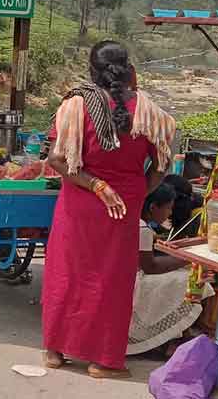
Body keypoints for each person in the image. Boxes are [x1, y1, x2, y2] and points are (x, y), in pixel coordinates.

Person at [43, 40, 176, 379]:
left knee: (66, 272)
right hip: (125, 205)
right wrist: (139, 191)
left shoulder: (76, 105)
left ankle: (55, 351)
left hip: (80, 201)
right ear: (129, 70)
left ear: (92, 70)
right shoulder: (148, 111)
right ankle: (102, 361)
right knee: (111, 281)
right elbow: (162, 165)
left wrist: (96, 185)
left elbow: (57, 160)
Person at [127, 183, 214, 356]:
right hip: (134, 283)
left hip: (128, 277)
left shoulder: (133, 221)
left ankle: (177, 335)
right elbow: (150, 267)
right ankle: (174, 338)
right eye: (168, 208)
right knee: (191, 279)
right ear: (153, 207)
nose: (171, 213)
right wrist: (189, 257)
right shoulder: (142, 228)